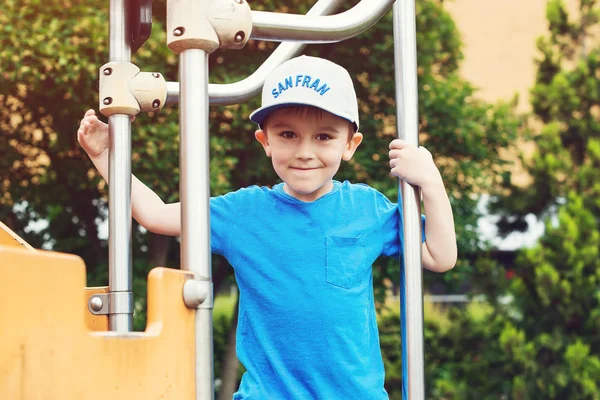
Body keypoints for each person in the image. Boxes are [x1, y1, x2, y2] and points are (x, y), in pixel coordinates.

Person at [78, 55, 457, 399]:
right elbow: (156, 214)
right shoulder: (244, 211)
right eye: (288, 134)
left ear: (350, 144)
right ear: (265, 141)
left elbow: (439, 255)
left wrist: (432, 184)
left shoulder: (365, 207)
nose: (305, 151)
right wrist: (106, 156)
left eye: (324, 136)